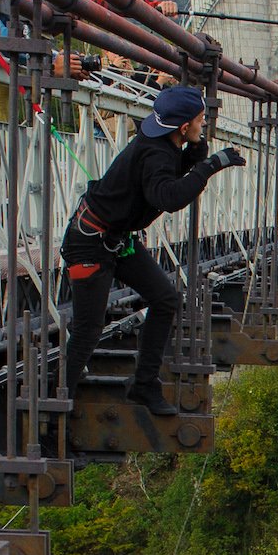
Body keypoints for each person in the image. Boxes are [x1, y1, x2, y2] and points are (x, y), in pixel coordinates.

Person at [61, 82, 244, 418]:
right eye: (201, 121)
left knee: (166, 299)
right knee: (89, 329)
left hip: (115, 240)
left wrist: (199, 153)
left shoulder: (164, 143)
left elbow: (173, 168)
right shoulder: (156, 153)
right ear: (183, 126)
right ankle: (56, 407)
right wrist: (210, 165)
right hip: (90, 242)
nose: (203, 125)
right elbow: (168, 197)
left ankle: (144, 385)